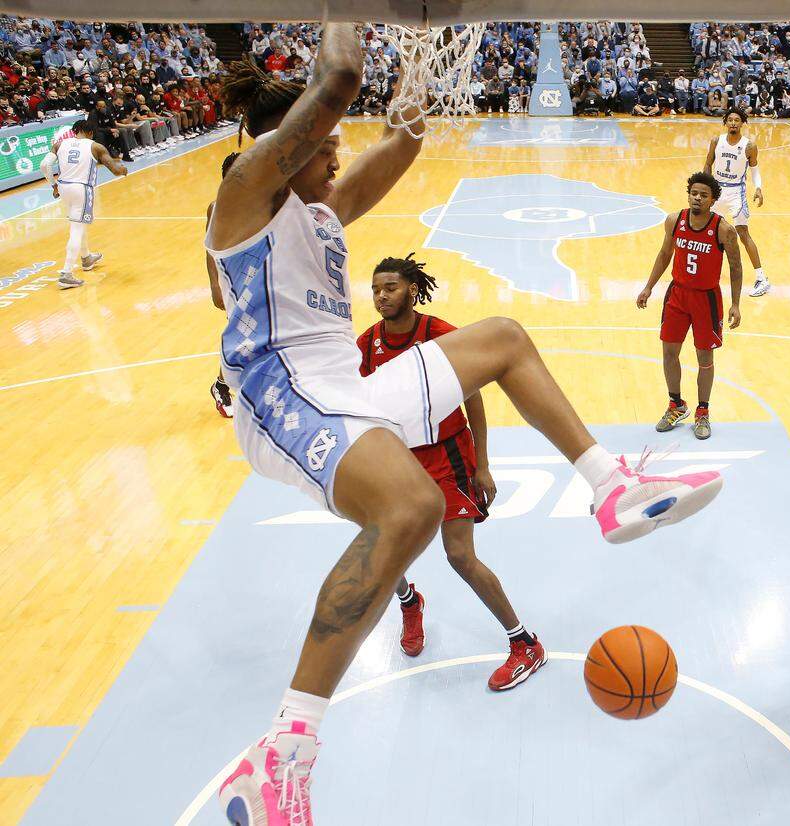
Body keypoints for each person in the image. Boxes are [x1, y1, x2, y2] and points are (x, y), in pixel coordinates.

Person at [206, 28, 724, 825]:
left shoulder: (321, 212)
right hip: (280, 394)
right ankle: (280, 754)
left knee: (504, 340)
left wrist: (421, 36)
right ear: (285, 147)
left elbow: (406, 137)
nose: (338, 161)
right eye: (325, 149)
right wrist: (350, 12)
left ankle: (608, 486)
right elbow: (340, 73)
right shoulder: (242, 196)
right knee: (411, 508)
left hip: (346, 385)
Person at [357, 255, 543, 691]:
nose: (381, 296)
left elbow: (472, 398)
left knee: (459, 556)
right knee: (382, 550)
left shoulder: (440, 336)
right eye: (376, 289)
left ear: (411, 290)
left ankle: (525, 644)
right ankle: (409, 602)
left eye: (390, 288)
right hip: (401, 460)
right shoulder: (367, 345)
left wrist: (482, 463)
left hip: (449, 457)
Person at [635, 171, 743, 441]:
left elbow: (736, 266)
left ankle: (703, 412)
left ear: (713, 199)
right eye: (694, 193)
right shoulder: (674, 220)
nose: (697, 198)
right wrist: (648, 287)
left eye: (703, 195)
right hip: (677, 295)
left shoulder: (724, 229)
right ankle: (676, 405)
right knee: (669, 352)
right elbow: (663, 255)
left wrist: (736, 304)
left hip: (706, 299)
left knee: (705, 359)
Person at [39, 119, 126, 289]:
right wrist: (123, 170)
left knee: (78, 222)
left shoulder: (59, 144)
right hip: (81, 189)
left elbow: (44, 164)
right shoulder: (95, 147)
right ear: (91, 133)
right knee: (76, 228)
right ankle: (66, 273)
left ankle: (86, 258)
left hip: (63, 187)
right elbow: (115, 170)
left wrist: (53, 184)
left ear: (74, 131)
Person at [703, 107, 770, 297]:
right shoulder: (717, 141)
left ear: (742, 123)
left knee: (743, 233)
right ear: (725, 122)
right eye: (730, 120)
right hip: (717, 190)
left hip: (736, 192)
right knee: (711, 232)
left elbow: (755, 169)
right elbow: (708, 163)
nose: (733, 123)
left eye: (737, 120)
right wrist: (706, 186)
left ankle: (761, 278)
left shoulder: (750, 146)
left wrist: (758, 188)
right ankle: (708, 272)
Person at [206, 151, 240, 417]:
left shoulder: (262, 201)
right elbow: (210, 250)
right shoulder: (216, 207)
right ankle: (221, 385)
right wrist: (215, 285)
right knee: (240, 334)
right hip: (232, 279)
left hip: (257, 274)